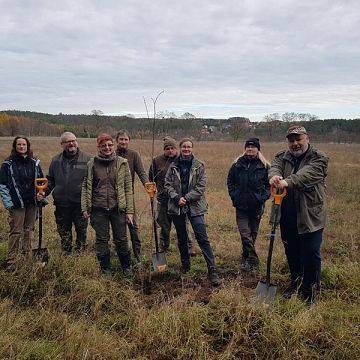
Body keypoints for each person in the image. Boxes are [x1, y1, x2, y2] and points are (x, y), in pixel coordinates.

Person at [269, 125, 328, 303]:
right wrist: (274, 177)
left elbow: (305, 176)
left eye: (298, 139)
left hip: (310, 215)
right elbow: (274, 168)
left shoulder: (319, 158)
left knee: (310, 254)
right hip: (287, 213)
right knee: (292, 251)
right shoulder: (282, 156)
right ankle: (296, 284)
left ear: (306, 139)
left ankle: (310, 292)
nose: (295, 143)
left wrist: (286, 182)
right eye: (291, 140)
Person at [164, 138, 221, 287]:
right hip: (177, 206)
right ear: (180, 148)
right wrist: (176, 198)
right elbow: (167, 184)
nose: (186, 149)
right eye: (184, 146)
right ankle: (185, 265)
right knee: (182, 237)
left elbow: (201, 187)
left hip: (195, 206)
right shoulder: (173, 165)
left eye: (189, 147)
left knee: (202, 237)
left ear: (192, 148)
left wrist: (186, 198)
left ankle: (212, 269)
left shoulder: (199, 165)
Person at [81, 134, 134, 276]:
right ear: (98, 147)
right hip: (98, 209)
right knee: (101, 239)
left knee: (121, 238)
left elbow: (128, 188)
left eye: (110, 145)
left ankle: (126, 266)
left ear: (113, 145)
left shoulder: (122, 162)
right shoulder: (91, 163)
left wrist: (129, 211)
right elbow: (86, 186)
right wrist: (85, 207)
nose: (107, 148)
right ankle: (105, 268)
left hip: (118, 208)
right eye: (103, 145)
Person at [227, 138, 270, 272]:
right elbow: (230, 180)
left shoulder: (265, 166)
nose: (250, 149)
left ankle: (246, 257)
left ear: (258, 149)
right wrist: (234, 195)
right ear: (245, 148)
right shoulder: (237, 164)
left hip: (256, 206)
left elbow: (269, 186)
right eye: (248, 147)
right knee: (245, 234)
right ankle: (253, 259)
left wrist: (262, 198)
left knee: (253, 233)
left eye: (253, 147)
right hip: (241, 206)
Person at [0, 136, 44, 268]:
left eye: (24, 144)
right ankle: (12, 260)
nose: (21, 147)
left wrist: (41, 193)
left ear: (27, 146)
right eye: (19, 144)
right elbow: (2, 186)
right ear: (15, 146)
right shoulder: (8, 164)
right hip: (17, 204)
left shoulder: (34, 162)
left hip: (32, 203)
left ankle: (27, 257)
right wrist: (9, 204)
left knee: (29, 230)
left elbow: (41, 181)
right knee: (16, 231)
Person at [149, 137, 195, 254]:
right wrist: (154, 192)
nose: (170, 151)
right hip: (163, 200)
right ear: (164, 150)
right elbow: (151, 178)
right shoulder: (156, 161)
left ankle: (189, 247)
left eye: (172, 148)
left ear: (176, 149)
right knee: (164, 225)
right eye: (167, 148)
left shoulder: (181, 160)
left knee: (184, 225)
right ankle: (163, 247)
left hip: (179, 200)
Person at [46, 132, 90, 254]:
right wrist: (42, 193)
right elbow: (50, 181)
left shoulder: (88, 159)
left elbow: (94, 183)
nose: (71, 143)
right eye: (67, 141)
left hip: (80, 205)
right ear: (62, 144)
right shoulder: (55, 161)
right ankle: (66, 253)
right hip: (62, 204)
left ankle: (80, 255)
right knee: (64, 232)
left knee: (81, 232)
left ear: (76, 141)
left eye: (73, 140)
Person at [116, 129, 148, 260]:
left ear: (129, 141)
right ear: (116, 141)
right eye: (121, 139)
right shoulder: (111, 153)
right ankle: (120, 251)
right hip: (113, 196)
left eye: (126, 139)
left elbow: (141, 172)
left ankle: (137, 252)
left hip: (128, 195)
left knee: (133, 225)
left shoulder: (133, 155)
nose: (123, 142)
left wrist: (147, 185)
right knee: (118, 225)